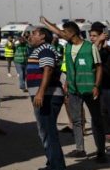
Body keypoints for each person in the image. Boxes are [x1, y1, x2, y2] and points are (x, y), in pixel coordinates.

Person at [41, 17, 106, 162]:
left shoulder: (90, 47)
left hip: (90, 89)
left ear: (71, 33)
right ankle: (80, 149)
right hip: (73, 90)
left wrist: (96, 86)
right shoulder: (68, 47)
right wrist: (45, 22)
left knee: (96, 120)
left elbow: (99, 67)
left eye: (64, 32)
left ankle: (101, 152)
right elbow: (69, 68)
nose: (60, 34)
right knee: (76, 120)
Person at [26, 26, 70, 170]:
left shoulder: (45, 49)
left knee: (50, 133)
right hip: (47, 96)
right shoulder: (41, 49)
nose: (30, 36)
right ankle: (53, 163)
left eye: (33, 34)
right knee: (45, 132)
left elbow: (48, 70)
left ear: (42, 36)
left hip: (48, 96)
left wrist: (40, 92)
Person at [93, 23, 110, 137]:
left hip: (107, 85)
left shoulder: (107, 49)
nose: (91, 38)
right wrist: (98, 42)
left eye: (94, 36)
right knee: (102, 111)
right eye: (91, 35)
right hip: (99, 85)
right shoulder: (93, 48)